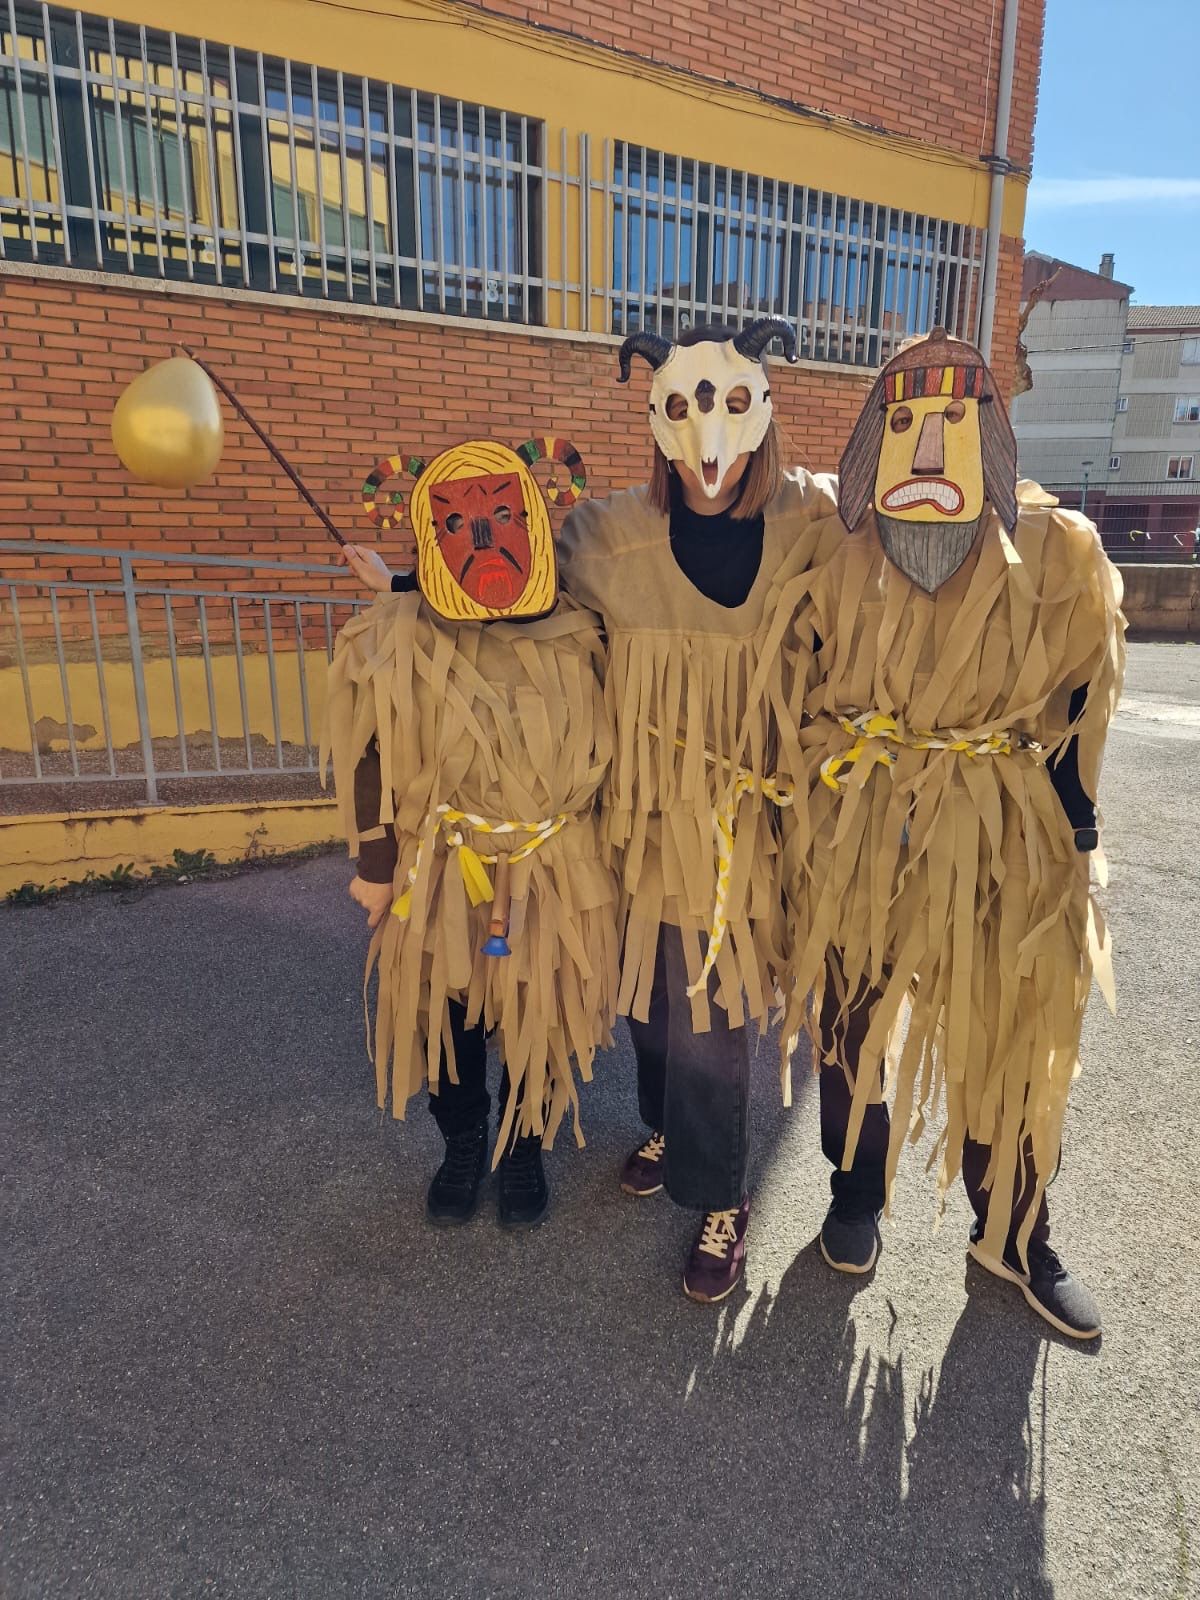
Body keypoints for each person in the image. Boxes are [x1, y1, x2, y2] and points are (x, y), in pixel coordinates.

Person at [777, 327, 1126, 1338]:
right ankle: (854, 1191)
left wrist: (1075, 838)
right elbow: (788, 672)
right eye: (905, 424)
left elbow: (1078, 703)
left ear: (995, 434)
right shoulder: (832, 546)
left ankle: (1015, 1233)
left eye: (954, 424)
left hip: (998, 835)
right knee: (850, 1024)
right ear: (870, 439)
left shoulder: (1063, 550)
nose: (929, 452)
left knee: (1008, 1037)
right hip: (860, 830)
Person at [558, 319, 840, 1302]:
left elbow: (904, 579)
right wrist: (406, 585)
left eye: (728, 407)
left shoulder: (815, 523)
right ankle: (668, 1126)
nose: (709, 443)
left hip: (743, 840)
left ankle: (724, 1195)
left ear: (762, 416)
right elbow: (507, 598)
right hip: (637, 821)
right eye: (681, 408)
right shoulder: (605, 535)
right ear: (657, 418)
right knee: (644, 1007)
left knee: (715, 1025)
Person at [325, 437, 617, 1230]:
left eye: (501, 517)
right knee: (447, 1018)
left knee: (542, 1017)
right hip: (443, 868)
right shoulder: (399, 638)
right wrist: (378, 866)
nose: (483, 536)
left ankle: (525, 1144)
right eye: (458, 524)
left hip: (555, 867)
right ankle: (462, 1140)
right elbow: (371, 756)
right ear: (430, 537)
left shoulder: (584, 633)